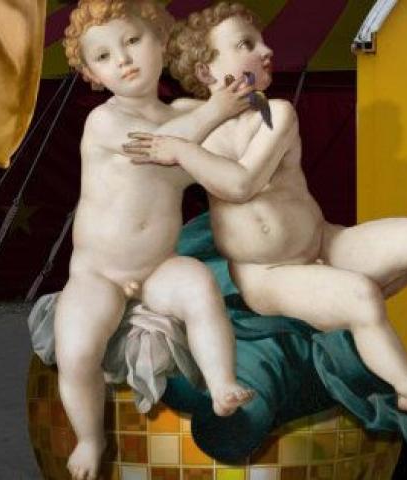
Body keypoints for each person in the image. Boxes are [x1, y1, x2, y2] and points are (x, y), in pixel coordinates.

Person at [123, 1, 407, 422]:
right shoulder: (187, 119)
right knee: (359, 294)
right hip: (266, 273)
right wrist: (196, 125)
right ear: (206, 71)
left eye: (262, 42)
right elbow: (137, 146)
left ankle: (337, 308)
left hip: (323, 243)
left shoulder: (275, 112)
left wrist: (181, 151)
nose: (266, 50)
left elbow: (241, 184)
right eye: (246, 45)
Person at [59, 1, 254, 477]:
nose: (123, 60)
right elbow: (159, 144)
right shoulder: (105, 120)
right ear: (90, 74)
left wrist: (229, 94)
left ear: (161, 40)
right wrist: (216, 110)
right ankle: (89, 438)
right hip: (99, 273)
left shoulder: (187, 112)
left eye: (133, 41)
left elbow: (226, 141)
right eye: (103, 56)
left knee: (200, 287)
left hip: (157, 266)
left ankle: (222, 383)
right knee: (77, 351)